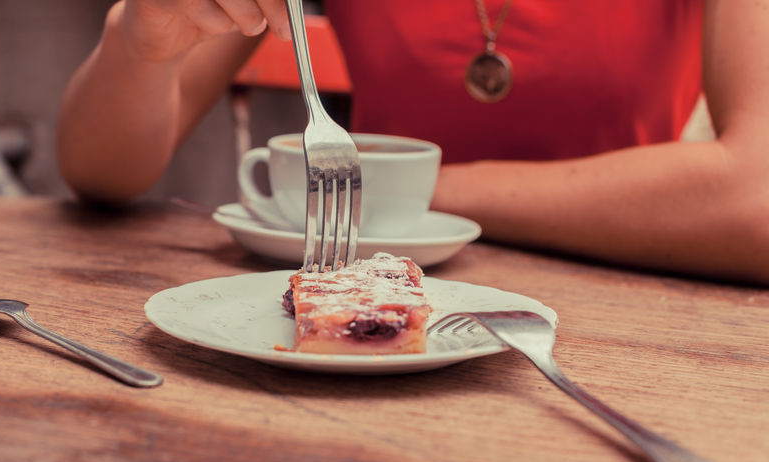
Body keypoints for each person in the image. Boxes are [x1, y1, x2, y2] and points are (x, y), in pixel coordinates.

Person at [56, 0, 769, 285]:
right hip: (366, 297)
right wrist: (140, 42)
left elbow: (756, 193)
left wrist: (414, 194)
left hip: (635, 317)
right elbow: (101, 172)